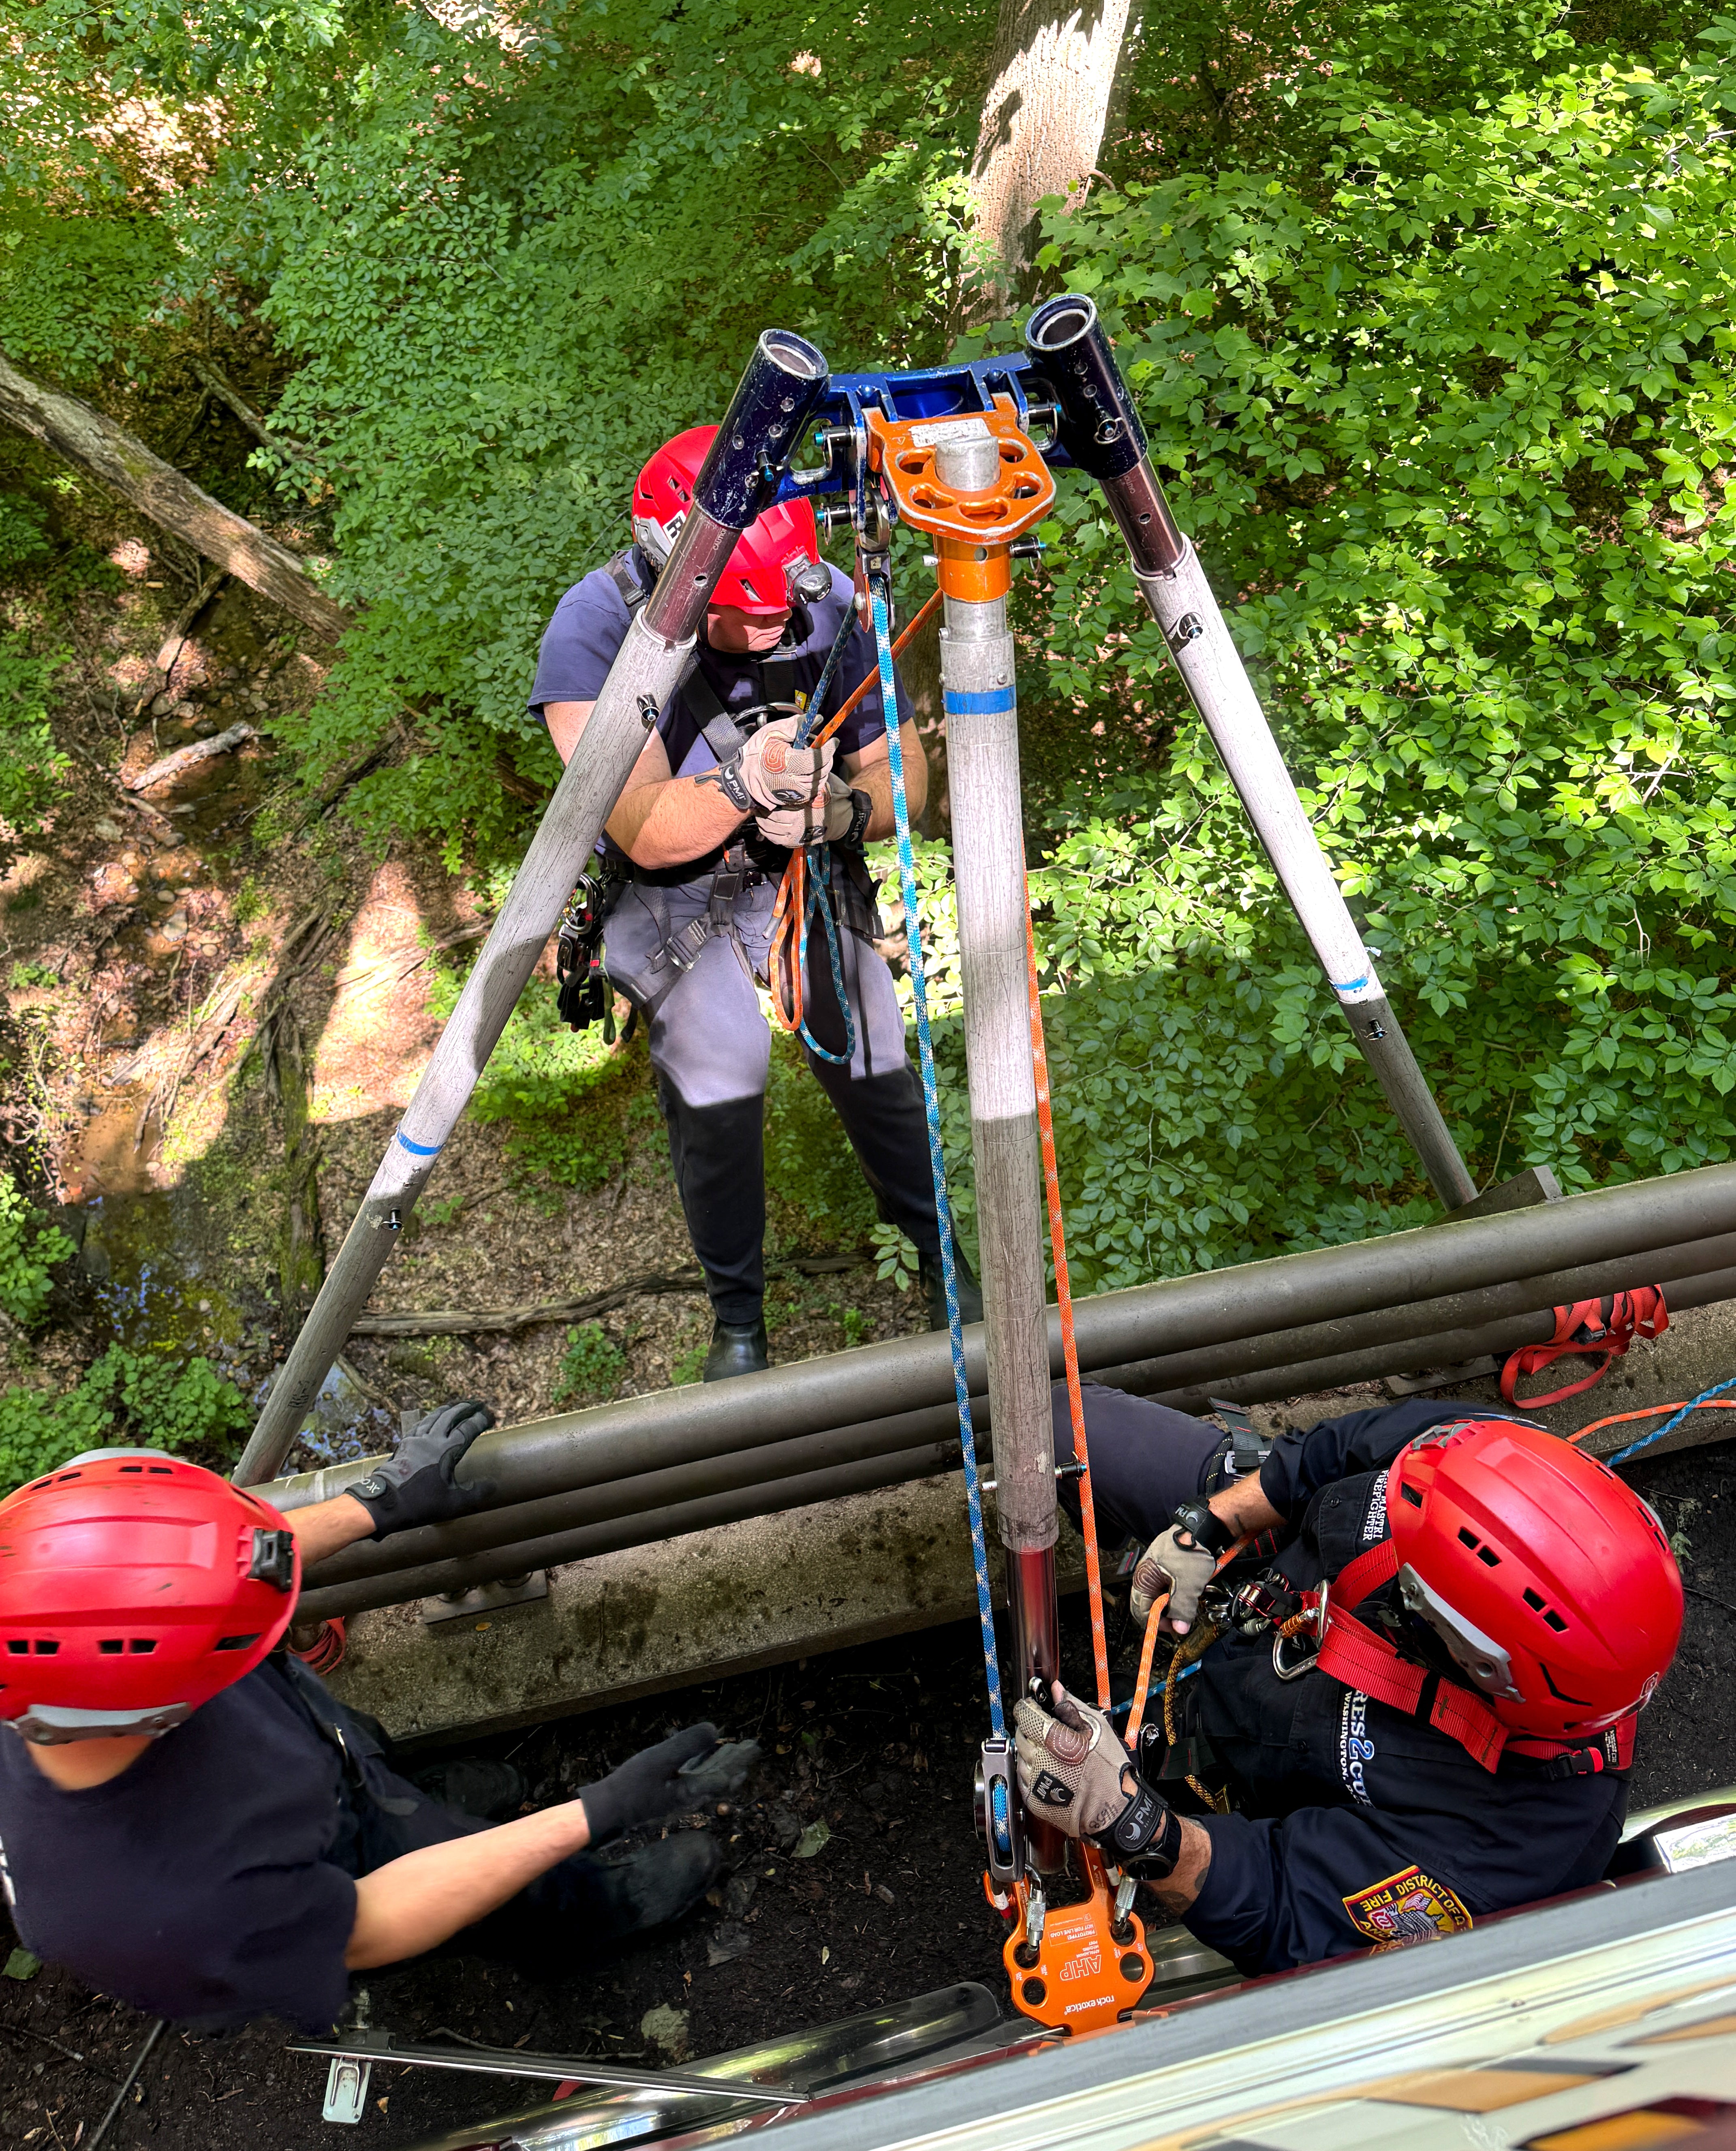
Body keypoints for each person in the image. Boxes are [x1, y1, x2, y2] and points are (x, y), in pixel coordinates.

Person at [0, 1407, 755, 2033]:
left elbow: (218, 1566)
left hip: (306, 1759)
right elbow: (375, 1918)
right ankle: (587, 1915)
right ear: (154, 1700)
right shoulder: (152, 1903)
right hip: (331, 1877)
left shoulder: (59, 1631)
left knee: (375, 1761)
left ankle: (395, 1792)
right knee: (479, 1882)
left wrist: (379, 1502)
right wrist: (595, 1813)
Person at [529, 424, 981, 1384]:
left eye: (788, 612)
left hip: (805, 875)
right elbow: (643, 827)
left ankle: (948, 1265)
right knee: (720, 1093)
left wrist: (842, 811)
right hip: (674, 895)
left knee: (876, 1068)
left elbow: (902, 774)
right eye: (752, 619)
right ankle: (739, 1323)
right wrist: (745, 784)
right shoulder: (598, 631)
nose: (779, 630)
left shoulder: (827, 603)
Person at [1014, 1392, 1683, 1974]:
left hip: (1230, 1752)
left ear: (1480, 1665)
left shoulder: (1517, 1846)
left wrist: (1134, 1824)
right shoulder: (1487, 1462)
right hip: (1268, 1555)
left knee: (1054, 1784)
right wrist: (1220, 1522)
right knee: (1049, 1425)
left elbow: (1284, 1911)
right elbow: (1341, 1448)